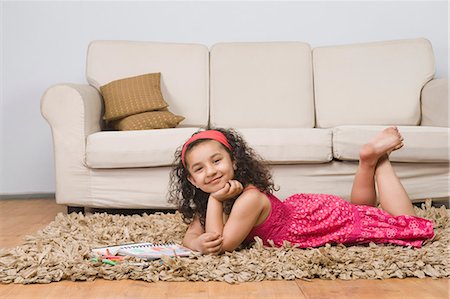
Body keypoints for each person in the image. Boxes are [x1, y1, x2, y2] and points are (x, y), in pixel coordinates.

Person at [168, 127, 434, 254]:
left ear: (234, 161)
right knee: (364, 212)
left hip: (316, 221)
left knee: (407, 224)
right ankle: (368, 162)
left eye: (217, 161)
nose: (211, 172)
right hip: (304, 210)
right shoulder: (208, 198)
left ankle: (379, 161)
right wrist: (194, 242)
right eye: (200, 169)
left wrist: (215, 200)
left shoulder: (249, 198)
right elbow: (194, 233)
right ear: (192, 180)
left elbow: (220, 245)